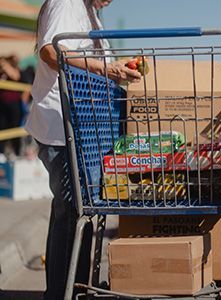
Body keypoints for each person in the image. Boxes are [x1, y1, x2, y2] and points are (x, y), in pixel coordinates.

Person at [24, 0, 141, 299]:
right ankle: (63, 291)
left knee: (79, 209)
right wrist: (105, 68)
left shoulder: (91, 12)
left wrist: (116, 68)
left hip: (83, 126)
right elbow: (50, 51)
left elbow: (92, 60)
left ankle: (75, 286)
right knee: (71, 209)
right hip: (60, 123)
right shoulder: (66, 3)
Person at [0, 55, 23, 156]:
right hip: (2, 105)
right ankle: (1, 153)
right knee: (2, 127)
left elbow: (16, 76)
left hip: (14, 105)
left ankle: (17, 152)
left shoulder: (13, 69)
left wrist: (5, 65)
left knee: (15, 128)